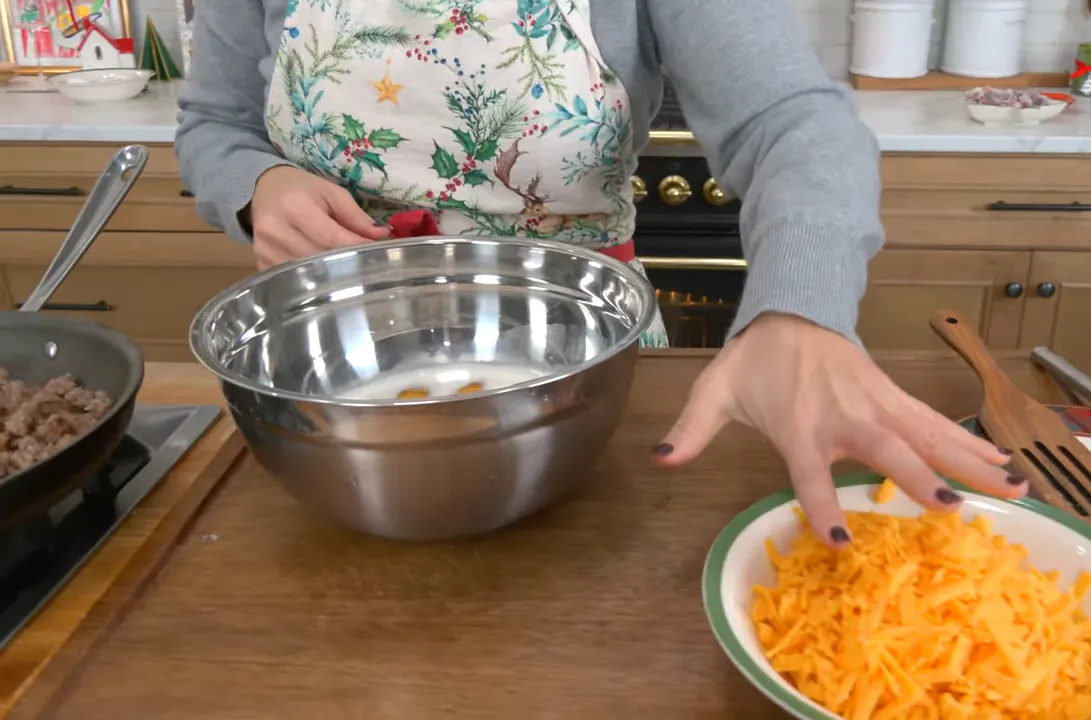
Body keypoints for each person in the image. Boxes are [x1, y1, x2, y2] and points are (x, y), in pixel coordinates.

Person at [177, 0, 1024, 547]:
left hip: (578, 379)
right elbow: (212, 124)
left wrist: (799, 311)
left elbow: (797, 122)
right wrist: (255, 186)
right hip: (337, 377)